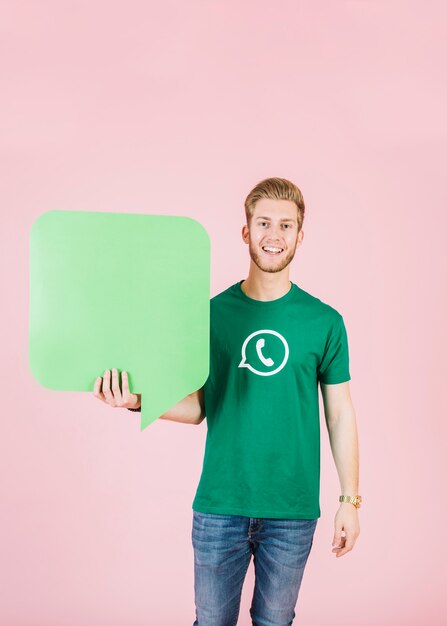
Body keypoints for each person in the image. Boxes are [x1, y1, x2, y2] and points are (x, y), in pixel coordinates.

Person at [93, 177, 361, 626]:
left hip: (292, 511)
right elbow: (199, 407)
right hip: (220, 506)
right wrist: (137, 401)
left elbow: (340, 413)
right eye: (263, 223)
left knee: (276, 622)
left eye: (285, 226)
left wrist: (349, 501)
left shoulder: (325, 322)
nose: (274, 235)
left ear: (299, 235)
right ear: (246, 232)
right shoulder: (211, 315)